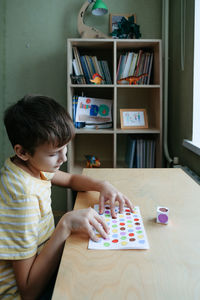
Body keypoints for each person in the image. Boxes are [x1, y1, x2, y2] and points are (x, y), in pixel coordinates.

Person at [0, 95, 133, 300]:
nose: (64, 158)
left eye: (66, 148)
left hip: (42, 263)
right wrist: (66, 224)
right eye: (55, 153)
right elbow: (28, 291)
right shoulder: (23, 196)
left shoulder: (28, 166)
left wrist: (102, 185)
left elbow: (70, 179)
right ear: (23, 151)